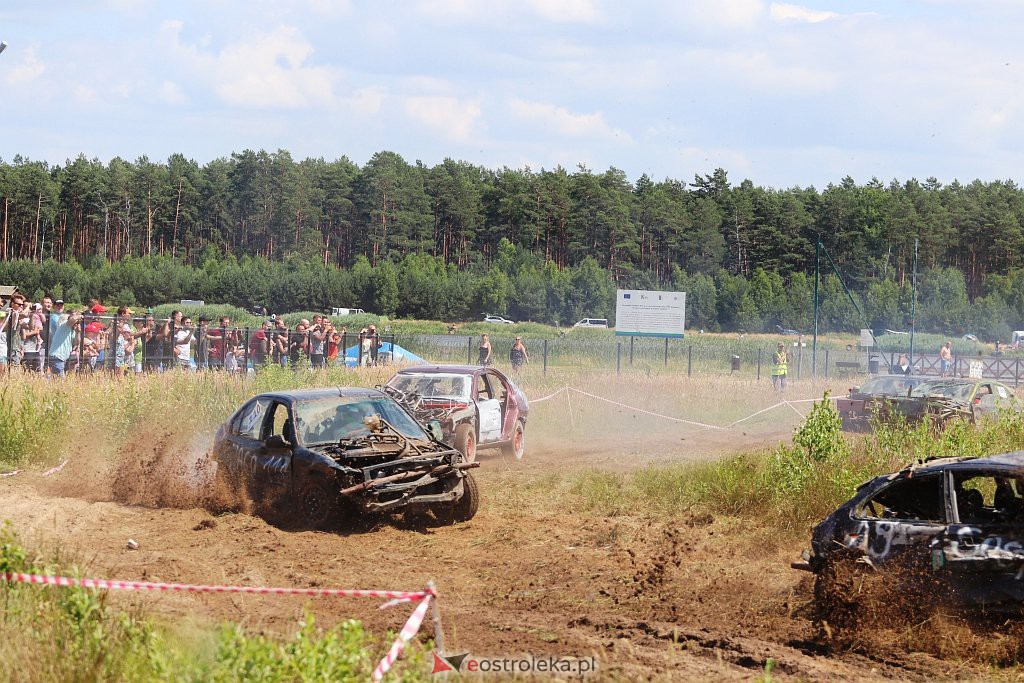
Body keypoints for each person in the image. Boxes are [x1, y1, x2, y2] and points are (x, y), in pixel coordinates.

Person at [46, 300, 83, 377]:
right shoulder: (64, 326)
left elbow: (76, 343)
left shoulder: (72, 330)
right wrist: (80, 315)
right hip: (57, 357)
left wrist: (78, 332)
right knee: (60, 381)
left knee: (59, 380)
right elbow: (72, 319)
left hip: (64, 358)